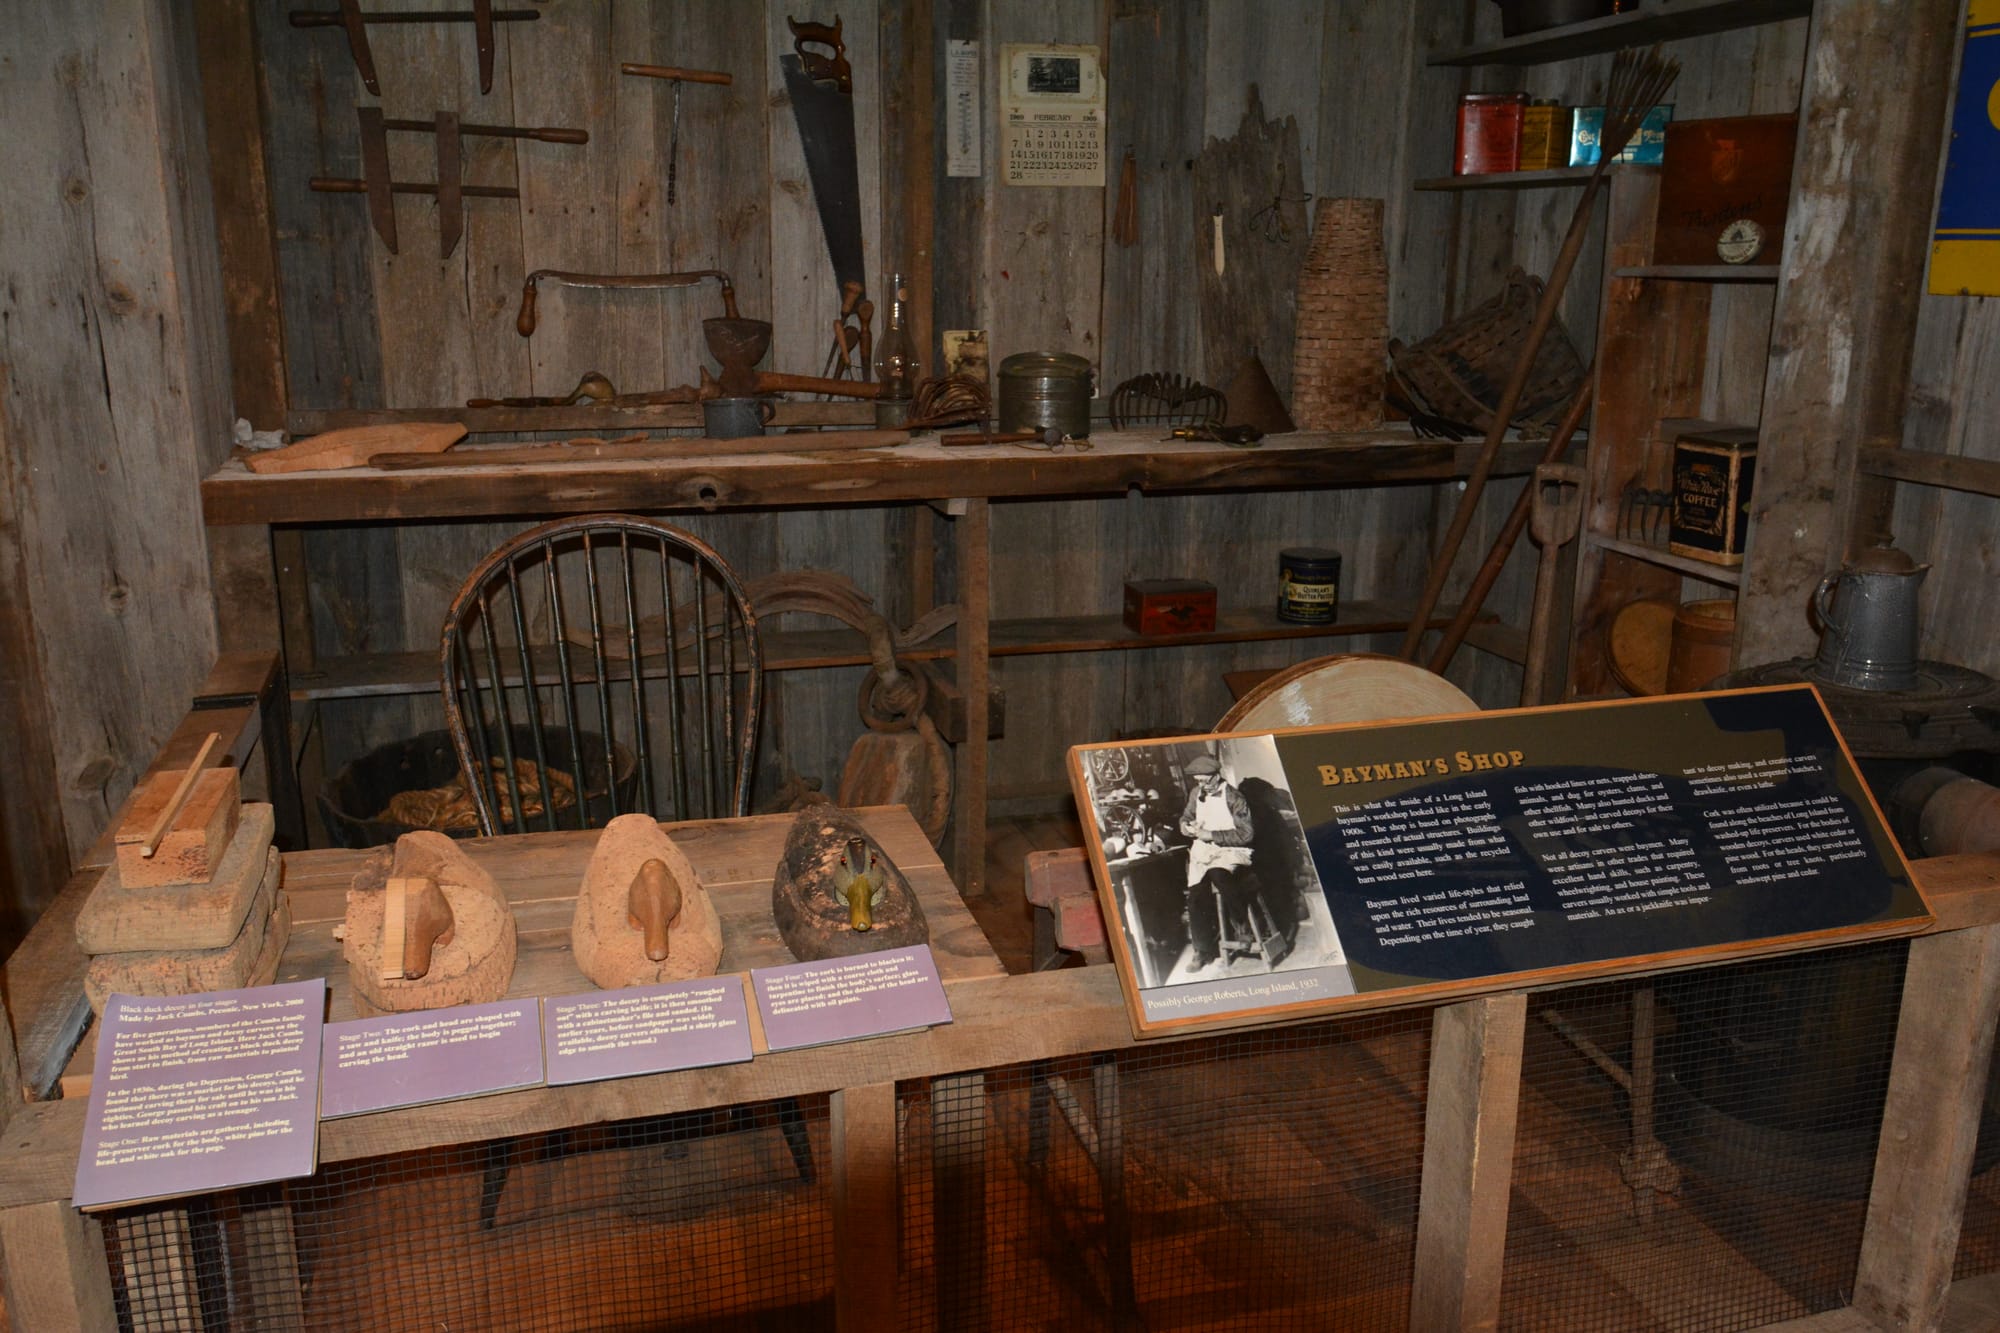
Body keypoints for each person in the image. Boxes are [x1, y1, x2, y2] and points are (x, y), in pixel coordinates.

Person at [1177, 752, 1257, 968]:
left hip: (1231, 850)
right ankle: (1202, 950)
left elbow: (1246, 834)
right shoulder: (1196, 793)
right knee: (1195, 895)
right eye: (1198, 781)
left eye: (1205, 781)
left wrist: (1212, 835)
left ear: (1216, 776)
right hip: (1204, 851)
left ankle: (1242, 926)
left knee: (1219, 874)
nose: (1201, 786)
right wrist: (1185, 826)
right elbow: (1186, 816)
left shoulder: (1234, 797)